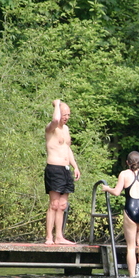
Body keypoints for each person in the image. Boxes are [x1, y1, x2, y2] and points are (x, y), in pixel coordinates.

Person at [103, 151, 139, 277]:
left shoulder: (124, 174)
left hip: (131, 210)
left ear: (127, 163)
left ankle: (132, 277)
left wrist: (107, 188)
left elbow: (117, 192)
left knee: (130, 247)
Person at [44, 99, 81, 245]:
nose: (66, 117)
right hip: (54, 168)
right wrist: (57, 104)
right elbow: (55, 119)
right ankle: (49, 237)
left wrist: (75, 166)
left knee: (62, 205)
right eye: (64, 114)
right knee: (54, 204)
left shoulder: (66, 129)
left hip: (65, 169)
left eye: (68, 115)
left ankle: (59, 236)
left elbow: (67, 148)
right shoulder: (51, 129)